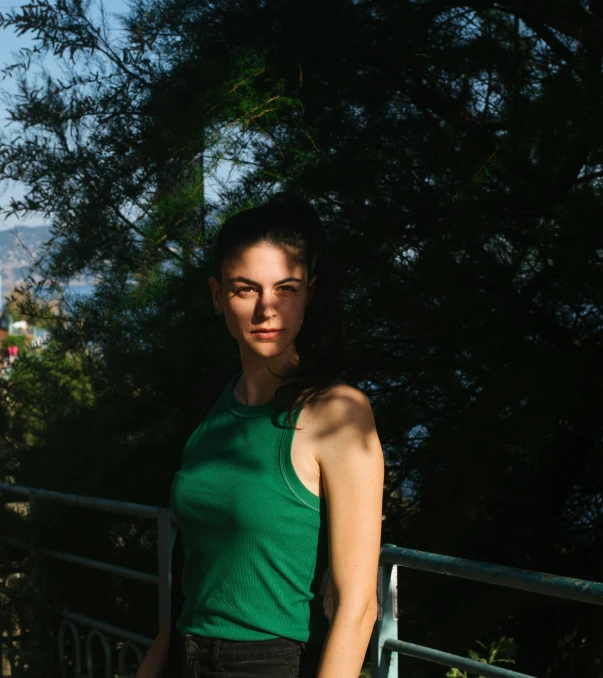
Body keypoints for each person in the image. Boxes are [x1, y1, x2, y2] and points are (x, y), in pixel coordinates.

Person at [137, 192, 384, 678]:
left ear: (309, 294)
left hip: (269, 664)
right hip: (185, 655)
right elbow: (193, 579)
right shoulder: (211, 401)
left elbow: (357, 610)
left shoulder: (338, 413)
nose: (266, 309)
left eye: (286, 289)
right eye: (246, 289)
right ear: (216, 295)